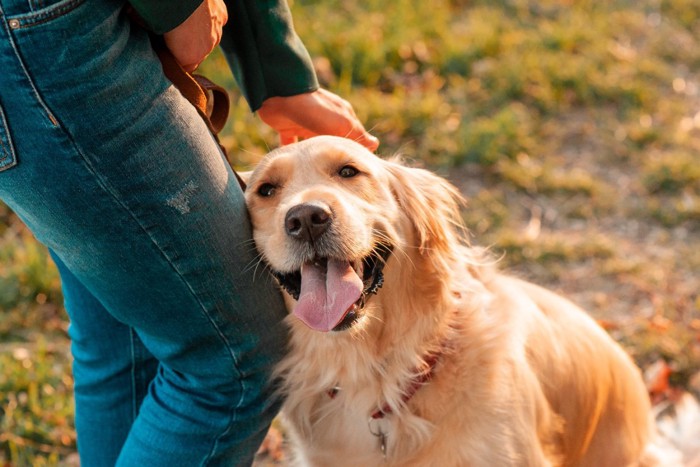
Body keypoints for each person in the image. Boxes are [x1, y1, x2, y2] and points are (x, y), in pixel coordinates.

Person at [0, 0, 378, 465]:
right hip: (47, 39)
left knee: (128, 338)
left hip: (39, 38)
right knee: (233, 361)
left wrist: (274, 67)